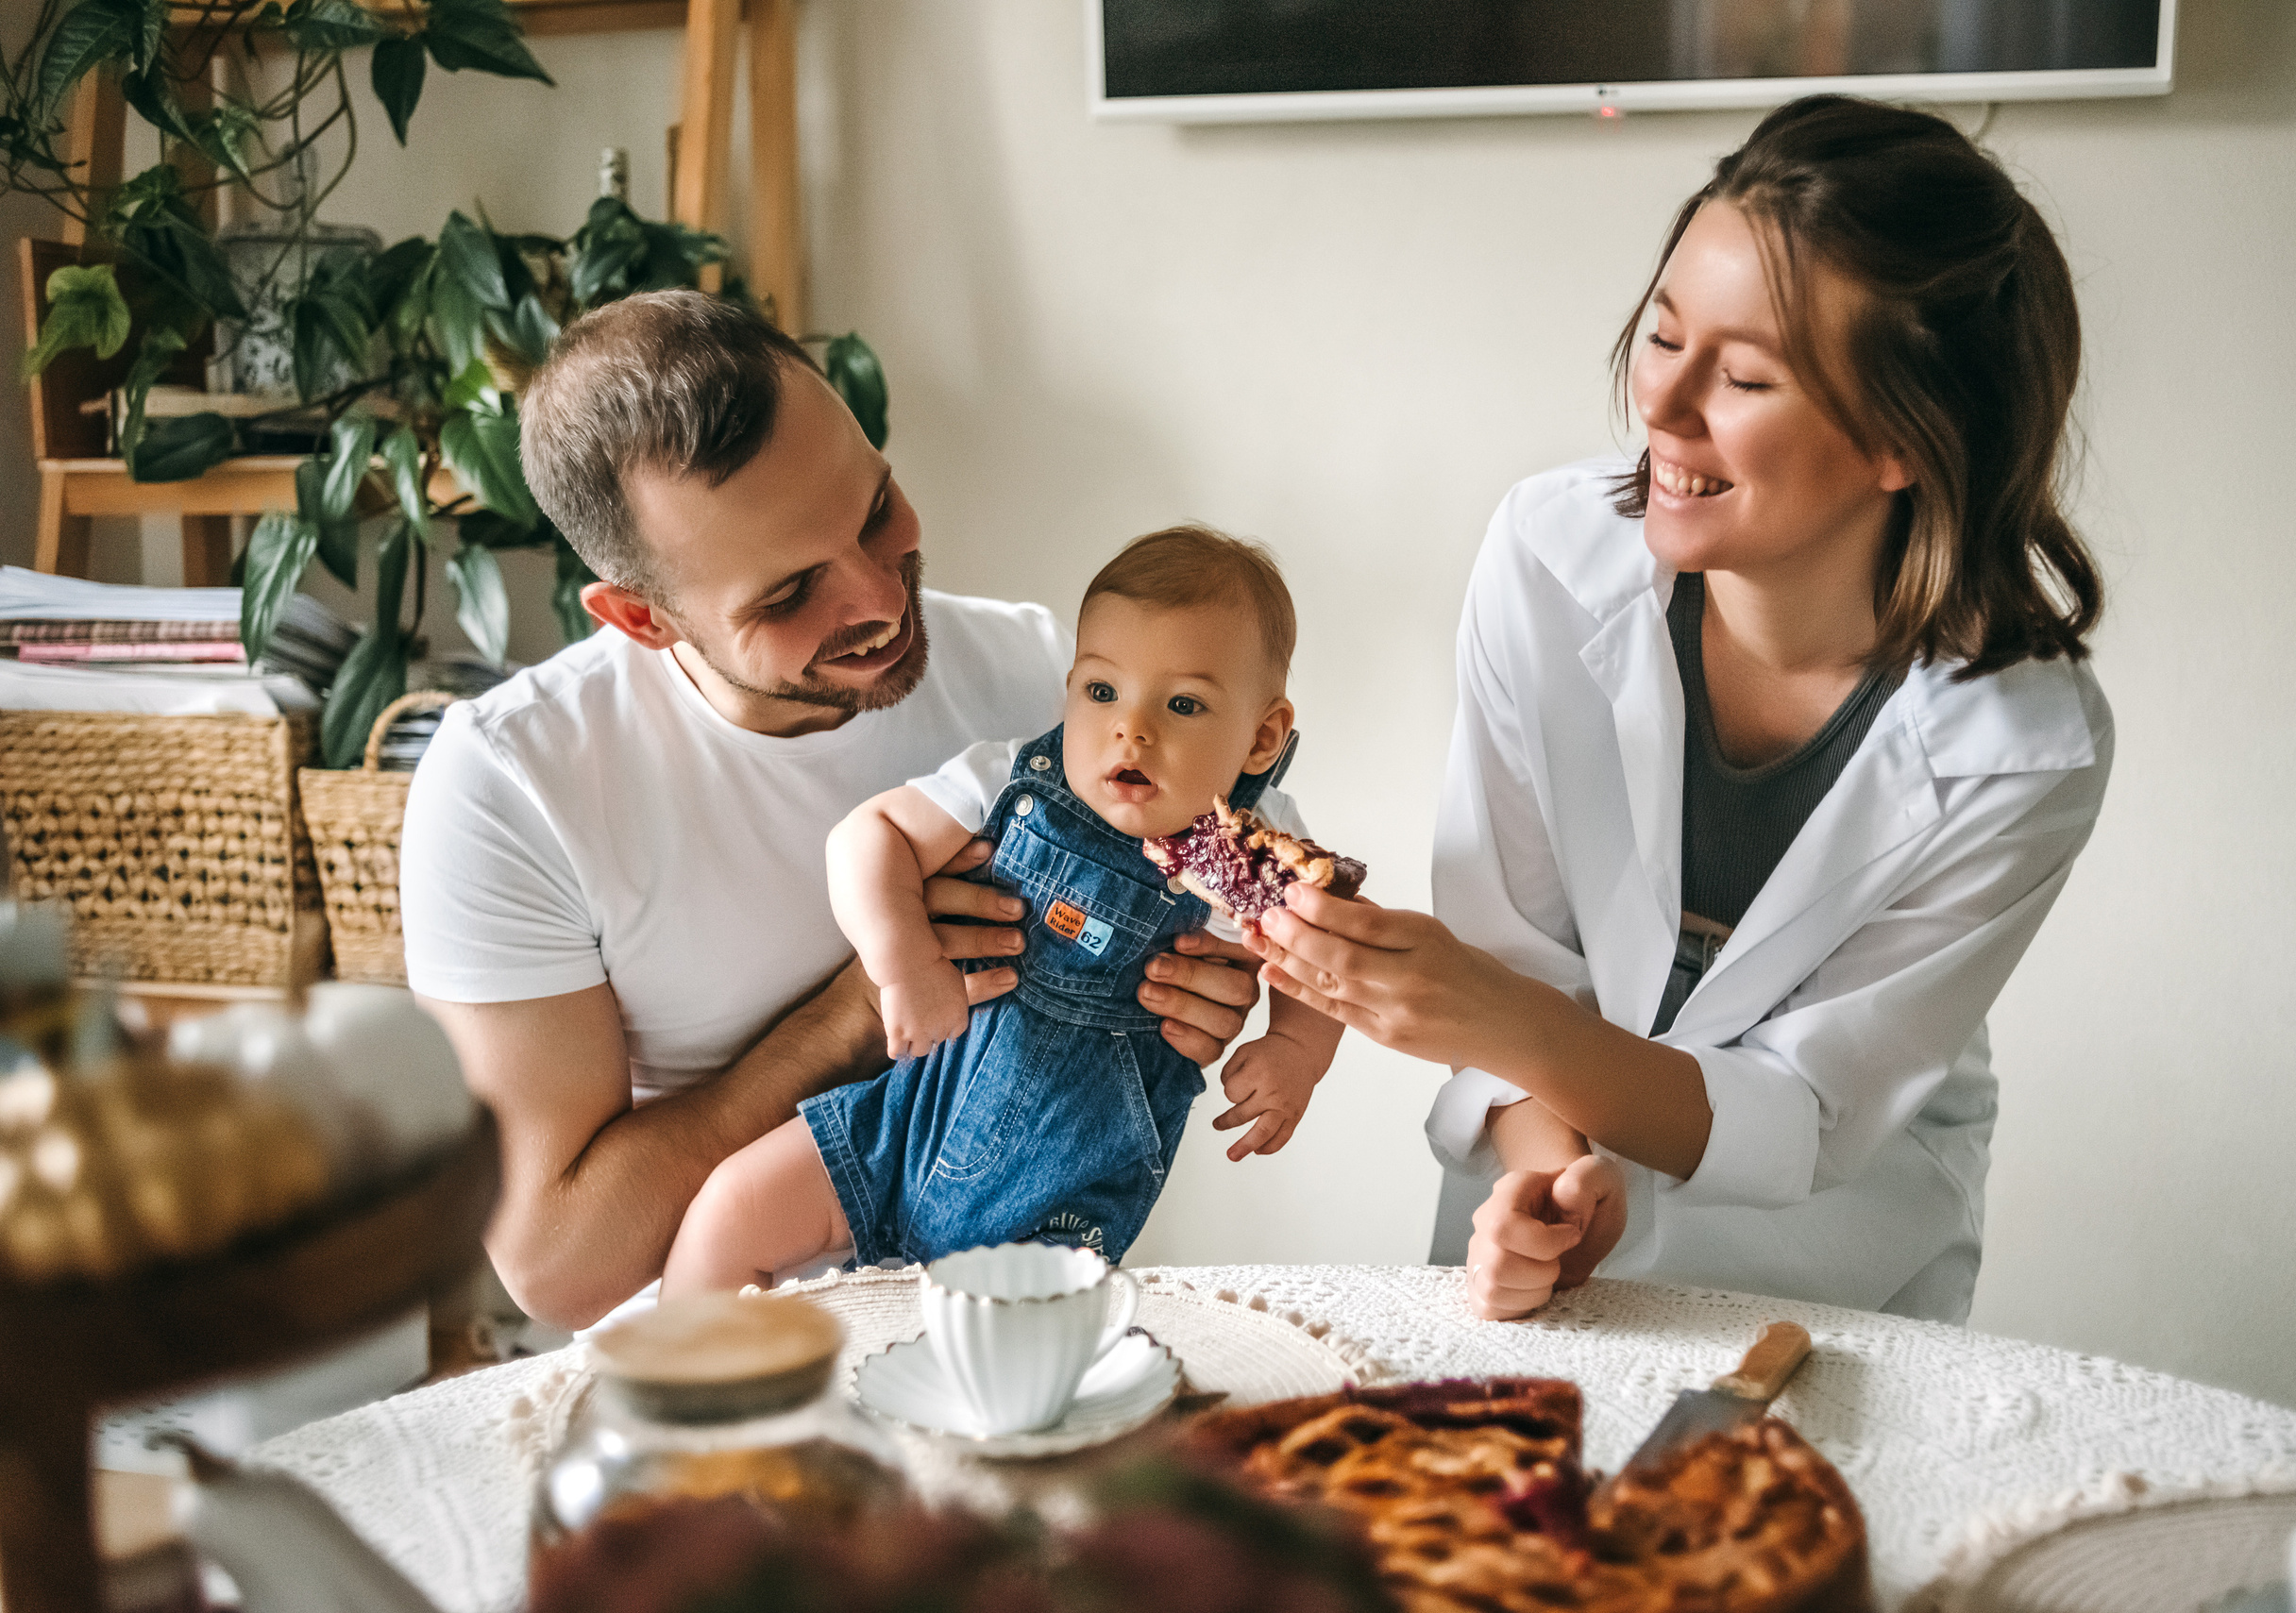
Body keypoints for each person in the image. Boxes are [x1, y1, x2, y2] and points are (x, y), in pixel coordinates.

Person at [1248, 95, 2115, 1325]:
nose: (1662, 405)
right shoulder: (1547, 564)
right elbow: (1520, 956)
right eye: (1662, 336)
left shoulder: (2023, 753)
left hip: (1835, 1232)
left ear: (1905, 440)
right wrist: (1555, 1191)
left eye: (1747, 376)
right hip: (1535, 1152)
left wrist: (1488, 1014)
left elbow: (1807, 1109)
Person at [398, 293, 1264, 1330]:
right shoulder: (514, 782)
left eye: (875, 510)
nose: (879, 599)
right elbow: (560, 1265)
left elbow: (1209, 909)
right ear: (643, 616)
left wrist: (1198, 994)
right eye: (791, 590)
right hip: (719, 1368)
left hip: (1006, 1318)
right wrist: (859, 1007)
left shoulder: (1055, 683)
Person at [660, 528, 1347, 1292]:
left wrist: (1298, 1052)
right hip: (909, 1118)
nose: (1132, 727)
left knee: (1003, 1364)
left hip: (1065, 1191)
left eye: (1183, 703)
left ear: (1260, 738)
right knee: (729, 1209)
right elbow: (868, 837)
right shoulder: (1012, 775)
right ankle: (686, 1394)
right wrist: (903, 962)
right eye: (1101, 690)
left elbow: (1327, 958)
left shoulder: (1259, 845)